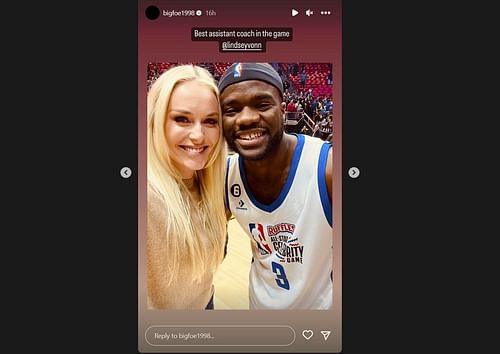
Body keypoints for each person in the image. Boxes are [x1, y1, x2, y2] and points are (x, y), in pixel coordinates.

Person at [219, 63, 333, 309]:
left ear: (282, 111)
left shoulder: (326, 167)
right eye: (232, 109)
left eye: (262, 104)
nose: (247, 118)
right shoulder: (226, 176)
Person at [147, 64, 227, 309]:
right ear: (156, 121)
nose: (198, 136)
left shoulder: (211, 183)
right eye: (182, 119)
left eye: (210, 121)